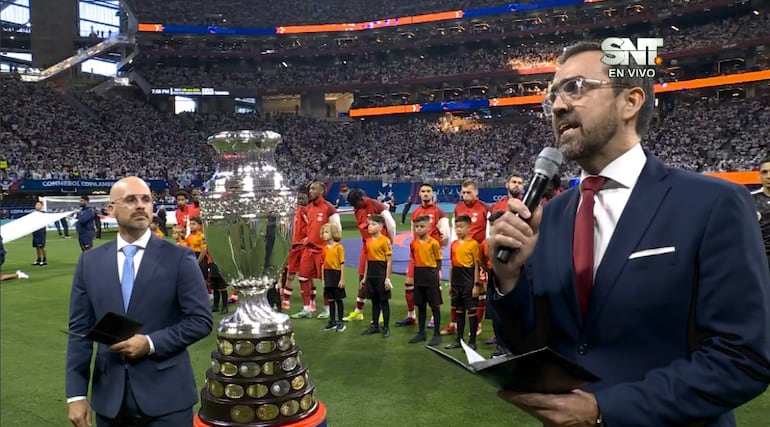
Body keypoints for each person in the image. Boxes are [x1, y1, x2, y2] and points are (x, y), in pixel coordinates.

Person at [487, 42, 770, 426]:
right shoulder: (549, 217)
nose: (557, 107)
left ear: (630, 101)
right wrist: (508, 281)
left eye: (576, 87)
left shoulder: (714, 204)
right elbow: (528, 346)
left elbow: (742, 358)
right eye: (552, 95)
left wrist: (605, 410)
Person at [65, 176, 212, 427]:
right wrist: (76, 395)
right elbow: (79, 331)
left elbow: (201, 320)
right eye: (131, 200)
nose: (141, 205)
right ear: (111, 209)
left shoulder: (179, 258)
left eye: (146, 199)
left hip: (168, 400)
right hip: (110, 401)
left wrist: (151, 343)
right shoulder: (90, 263)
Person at [392, 183, 449, 327]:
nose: (425, 194)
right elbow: (413, 233)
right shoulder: (416, 212)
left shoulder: (439, 212)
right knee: (409, 283)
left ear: (432, 193)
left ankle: (433, 317)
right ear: (419, 194)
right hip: (416, 255)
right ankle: (411, 315)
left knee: (434, 285)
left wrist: (437, 249)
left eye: (428, 191)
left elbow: (446, 235)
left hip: (431, 256)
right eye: (423, 191)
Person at [342, 189, 395, 322]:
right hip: (367, 246)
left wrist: (390, 242)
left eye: (355, 203)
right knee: (363, 277)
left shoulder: (375, 205)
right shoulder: (357, 209)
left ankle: (383, 312)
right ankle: (358, 311)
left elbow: (391, 223)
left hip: (380, 247)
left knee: (380, 278)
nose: (354, 207)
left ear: (361, 198)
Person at [443, 179, 488, 337]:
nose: (466, 195)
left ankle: (478, 325)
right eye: (463, 192)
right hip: (460, 251)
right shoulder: (458, 208)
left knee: (479, 290)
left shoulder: (484, 208)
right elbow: (455, 228)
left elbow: (488, 232)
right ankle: (453, 324)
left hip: (477, 254)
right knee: (456, 290)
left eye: (469, 192)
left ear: (476, 192)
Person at [292, 181, 340, 319]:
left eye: (313, 189)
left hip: (323, 250)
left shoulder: (328, 208)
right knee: (302, 277)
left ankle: (327, 309)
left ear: (321, 191)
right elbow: (310, 225)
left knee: (326, 281)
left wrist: (333, 247)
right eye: (309, 189)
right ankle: (307, 309)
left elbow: (337, 229)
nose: (310, 191)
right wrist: (308, 236)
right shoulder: (309, 208)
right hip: (309, 250)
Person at [445, 215, 481, 350]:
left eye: (461, 227)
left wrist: (476, 285)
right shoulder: (453, 244)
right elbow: (451, 265)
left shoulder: (473, 245)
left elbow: (477, 265)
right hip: (456, 281)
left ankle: (472, 341)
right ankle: (459, 339)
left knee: (471, 311)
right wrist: (450, 283)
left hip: (468, 280)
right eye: (456, 228)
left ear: (469, 227)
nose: (458, 230)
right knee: (459, 311)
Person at [407, 215, 443, 347]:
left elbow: (438, 260)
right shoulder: (413, 243)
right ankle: (421, 333)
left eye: (421, 226)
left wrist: (435, 275)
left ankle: (437, 334)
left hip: (431, 275)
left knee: (435, 305)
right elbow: (413, 258)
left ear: (429, 227)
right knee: (420, 305)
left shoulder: (433, 243)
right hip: (419, 274)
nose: (418, 229)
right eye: (416, 227)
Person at [360, 215, 393, 338]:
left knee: (383, 301)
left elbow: (389, 261)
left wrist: (387, 278)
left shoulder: (385, 241)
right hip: (371, 274)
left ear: (380, 227)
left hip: (380, 273)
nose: (370, 227)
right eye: (369, 224)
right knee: (374, 301)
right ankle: (375, 326)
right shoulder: (368, 241)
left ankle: (386, 327)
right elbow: (368, 260)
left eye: (373, 224)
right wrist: (364, 277)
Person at [281, 187, 309, 311]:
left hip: (303, 247)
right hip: (292, 247)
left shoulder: (305, 211)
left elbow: (311, 225)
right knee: (290, 274)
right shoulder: (291, 211)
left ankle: (309, 302)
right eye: (299, 198)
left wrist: (308, 237)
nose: (300, 200)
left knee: (306, 276)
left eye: (303, 198)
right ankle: (286, 300)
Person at [320, 223, 346, 332]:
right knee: (330, 298)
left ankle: (340, 321)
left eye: (327, 232)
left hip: (336, 274)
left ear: (333, 233)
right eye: (323, 232)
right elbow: (323, 264)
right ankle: (332, 321)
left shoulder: (339, 247)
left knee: (338, 299)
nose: (324, 235)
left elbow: (342, 263)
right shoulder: (324, 248)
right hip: (327, 274)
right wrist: (323, 279)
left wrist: (342, 279)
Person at [754, 157, 770, 269]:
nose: (769, 176)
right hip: (761, 259)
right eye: (764, 172)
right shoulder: (749, 200)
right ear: (759, 175)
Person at [31, 200, 47, 266]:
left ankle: (44, 259)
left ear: (41, 206)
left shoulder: (43, 213)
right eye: (36, 205)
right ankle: (38, 259)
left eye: (38, 205)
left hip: (41, 231)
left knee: (41, 246)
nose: (36, 206)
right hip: (35, 231)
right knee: (36, 246)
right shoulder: (34, 213)